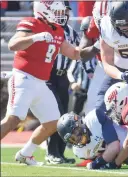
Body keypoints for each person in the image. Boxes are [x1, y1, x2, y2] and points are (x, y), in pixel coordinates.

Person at [1, 1, 80, 166]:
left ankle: (25, 154)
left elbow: (73, 53)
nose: (62, 15)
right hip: (24, 78)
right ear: (45, 10)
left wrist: (95, 48)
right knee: (13, 119)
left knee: (53, 123)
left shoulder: (57, 30)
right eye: (57, 11)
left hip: (41, 83)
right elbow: (12, 44)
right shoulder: (32, 23)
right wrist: (35, 38)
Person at [56, 111, 128, 169]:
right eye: (72, 138)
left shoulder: (94, 118)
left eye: (76, 132)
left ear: (80, 122)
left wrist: (95, 164)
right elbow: (107, 157)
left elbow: (114, 147)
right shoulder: (80, 152)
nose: (77, 139)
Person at [44, 1, 78, 164]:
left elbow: (79, 52)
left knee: (65, 115)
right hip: (49, 76)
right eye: (59, 11)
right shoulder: (48, 29)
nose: (63, 14)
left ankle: (60, 153)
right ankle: (51, 153)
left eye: (65, 11)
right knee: (55, 115)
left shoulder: (71, 32)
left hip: (63, 76)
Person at [78, 1, 110, 114]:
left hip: (126, 66)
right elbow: (82, 54)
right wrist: (98, 45)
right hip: (103, 67)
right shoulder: (91, 24)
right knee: (92, 108)